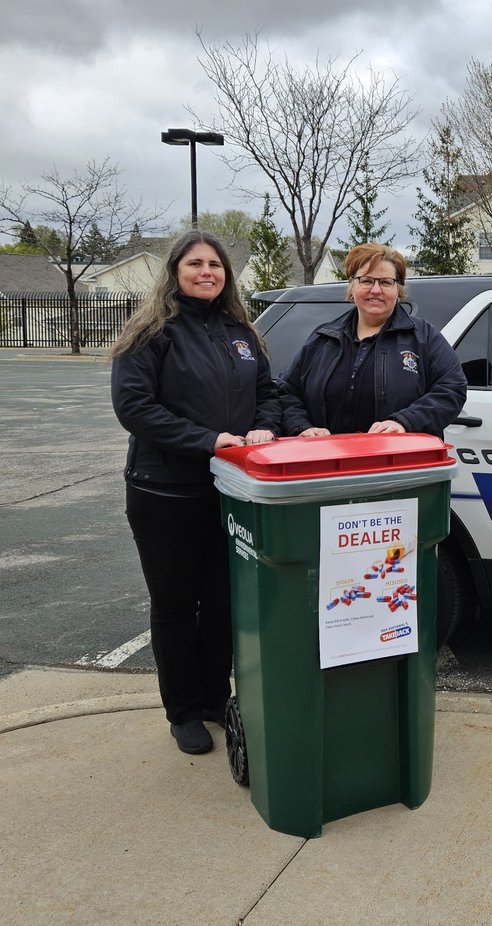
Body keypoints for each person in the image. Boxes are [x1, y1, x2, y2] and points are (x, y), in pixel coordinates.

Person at [110, 230, 280, 756]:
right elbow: (135, 407)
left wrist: (264, 429)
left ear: (227, 275)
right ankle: (182, 710)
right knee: (177, 603)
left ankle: (213, 698)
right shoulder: (152, 333)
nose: (207, 272)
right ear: (175, 272)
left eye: (216, 265)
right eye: (195, 263)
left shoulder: (240, 332)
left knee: (224, 602)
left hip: (229, 493)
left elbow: (269, 393)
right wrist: (208, 441)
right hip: (166, 492)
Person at [277, 242, 466, 439]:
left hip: (399, 464)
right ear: (352, 287)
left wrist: (404, 421)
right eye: (366, 281)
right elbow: (286, 391)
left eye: (385, 282)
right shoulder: (323, 339)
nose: (376, 290)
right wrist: (301, 427)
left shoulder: (424, 339)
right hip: (328, 463)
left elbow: (452, 389)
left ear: (398, 290)